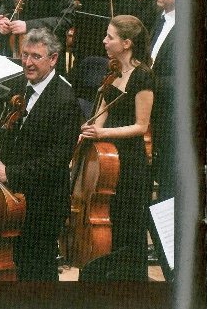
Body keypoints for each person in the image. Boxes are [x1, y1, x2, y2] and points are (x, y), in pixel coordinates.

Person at [0, 28, 82, 281]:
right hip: (11, 197)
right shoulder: (20, 86)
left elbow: (57, 159)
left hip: (42, 202)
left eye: (36, 56)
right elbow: (3, 131)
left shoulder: (65, 100)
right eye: (24, 55)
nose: (28, 62)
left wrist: (10, 173)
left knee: (36, 271)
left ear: (53, 59)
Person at [80, 15, 154, 280]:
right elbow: (102, 107)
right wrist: (90, 131)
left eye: (109, 37)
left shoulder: (143, 77)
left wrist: (103, 132)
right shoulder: (113, 70)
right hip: (107, 155)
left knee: (126, 226)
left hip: (130, 162)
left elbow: (141, 126)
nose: (104, 41)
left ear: (126, 43)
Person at [150, 0, 177, 201]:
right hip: (156, 111)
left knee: (169, 183)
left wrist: (150, 84)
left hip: (172, 118)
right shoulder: (161, 19)